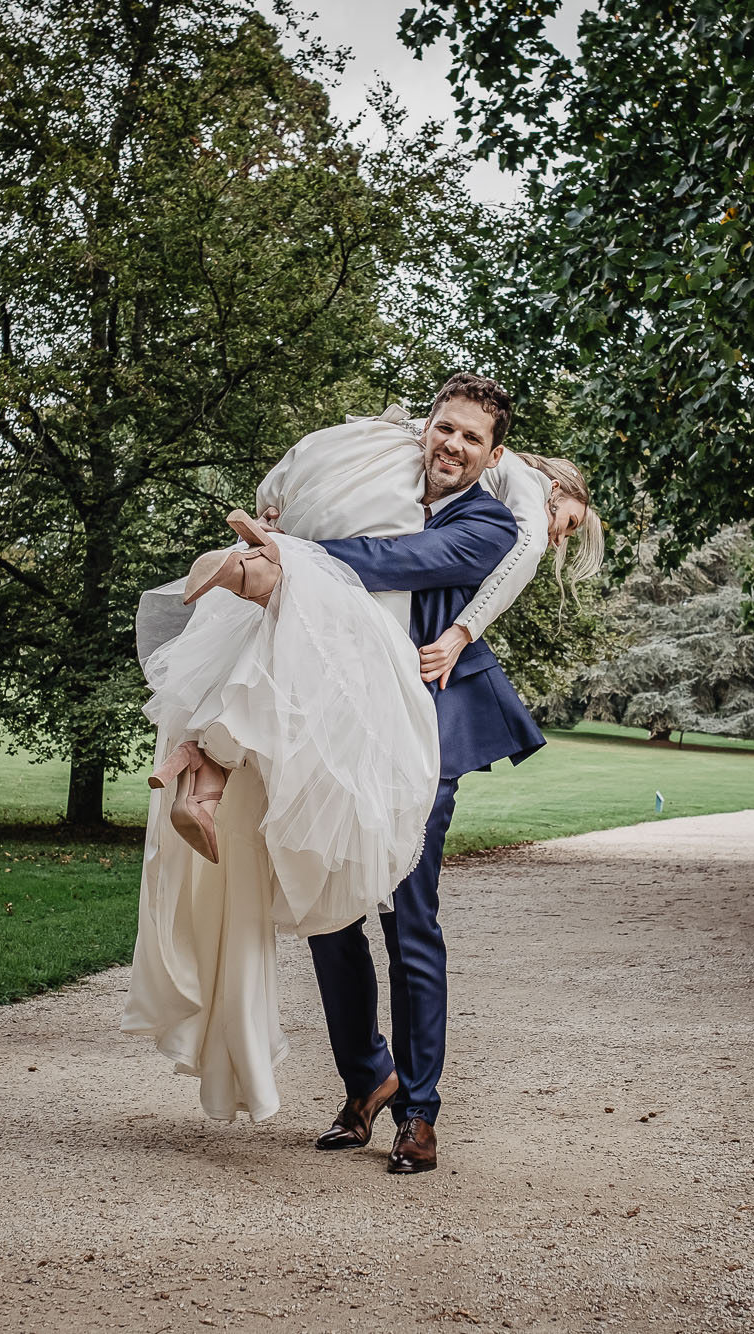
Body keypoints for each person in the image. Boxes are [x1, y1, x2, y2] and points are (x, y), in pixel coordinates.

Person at [121, 374, 600, 1132]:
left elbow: (392, 561)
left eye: (472, 438)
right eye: (446, 428)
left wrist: (285, 552)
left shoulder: (491, 526)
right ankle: (367, 1077)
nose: (453, 445)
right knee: (328, 906)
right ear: (426, 427)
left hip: (427, 729)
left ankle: (419, 1111)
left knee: (409, 916)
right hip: (340, 719)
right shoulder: (380, 480)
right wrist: (285, 519)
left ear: (495, 455)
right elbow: (323, 495)